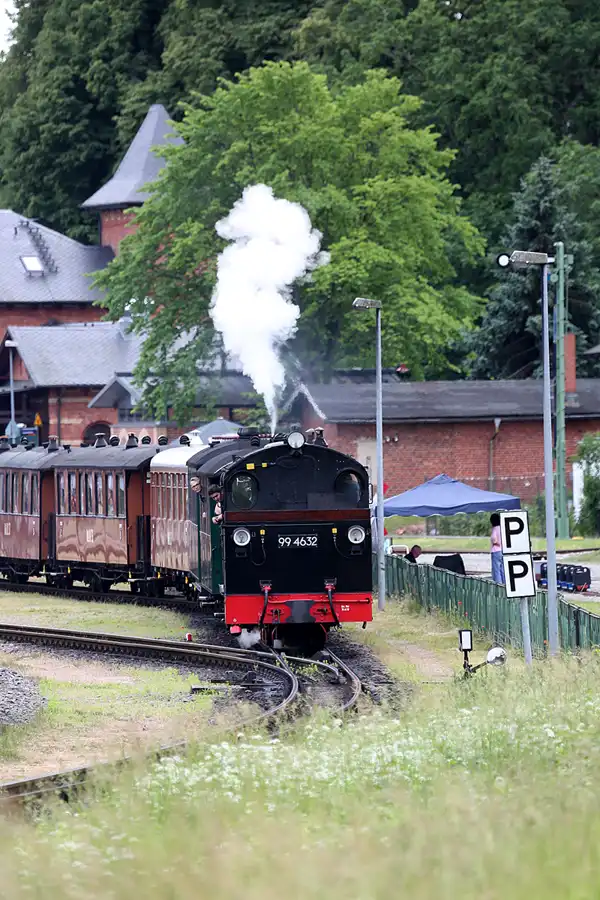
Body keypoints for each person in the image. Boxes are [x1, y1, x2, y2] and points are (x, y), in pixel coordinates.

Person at [490, 513, 504, 584]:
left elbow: (494, 539)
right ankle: (504, 585)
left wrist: (495, 543)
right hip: (503, 551)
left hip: (496, 551)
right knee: (502, 570)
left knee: (496, 570)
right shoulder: (503, 528)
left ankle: (498, 585)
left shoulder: (495, 528)